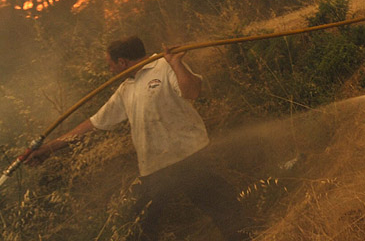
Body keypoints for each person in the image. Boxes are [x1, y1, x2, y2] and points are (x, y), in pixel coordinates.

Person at [28, 36, 246, 241]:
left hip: (189, 155)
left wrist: (177, 64)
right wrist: (49, 148)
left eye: (110, 65)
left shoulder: (165, 66)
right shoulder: (126, 89)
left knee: (223, 207)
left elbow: (192, 92)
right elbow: (94, 123)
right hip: (155, 167)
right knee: (140, 223)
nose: (109, 70)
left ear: (122, 62)